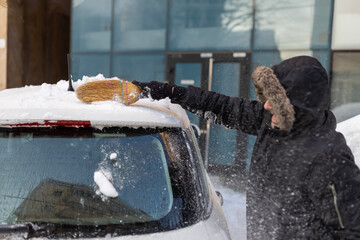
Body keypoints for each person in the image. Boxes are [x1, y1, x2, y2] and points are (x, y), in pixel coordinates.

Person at [132, 56, 360, 239]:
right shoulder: (272, 122)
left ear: (301, 106)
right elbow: (221, 107)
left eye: (277, 100)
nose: (267, 105)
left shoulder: (329, 158)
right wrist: (171, 93)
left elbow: (352, 229)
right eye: (269, 97)